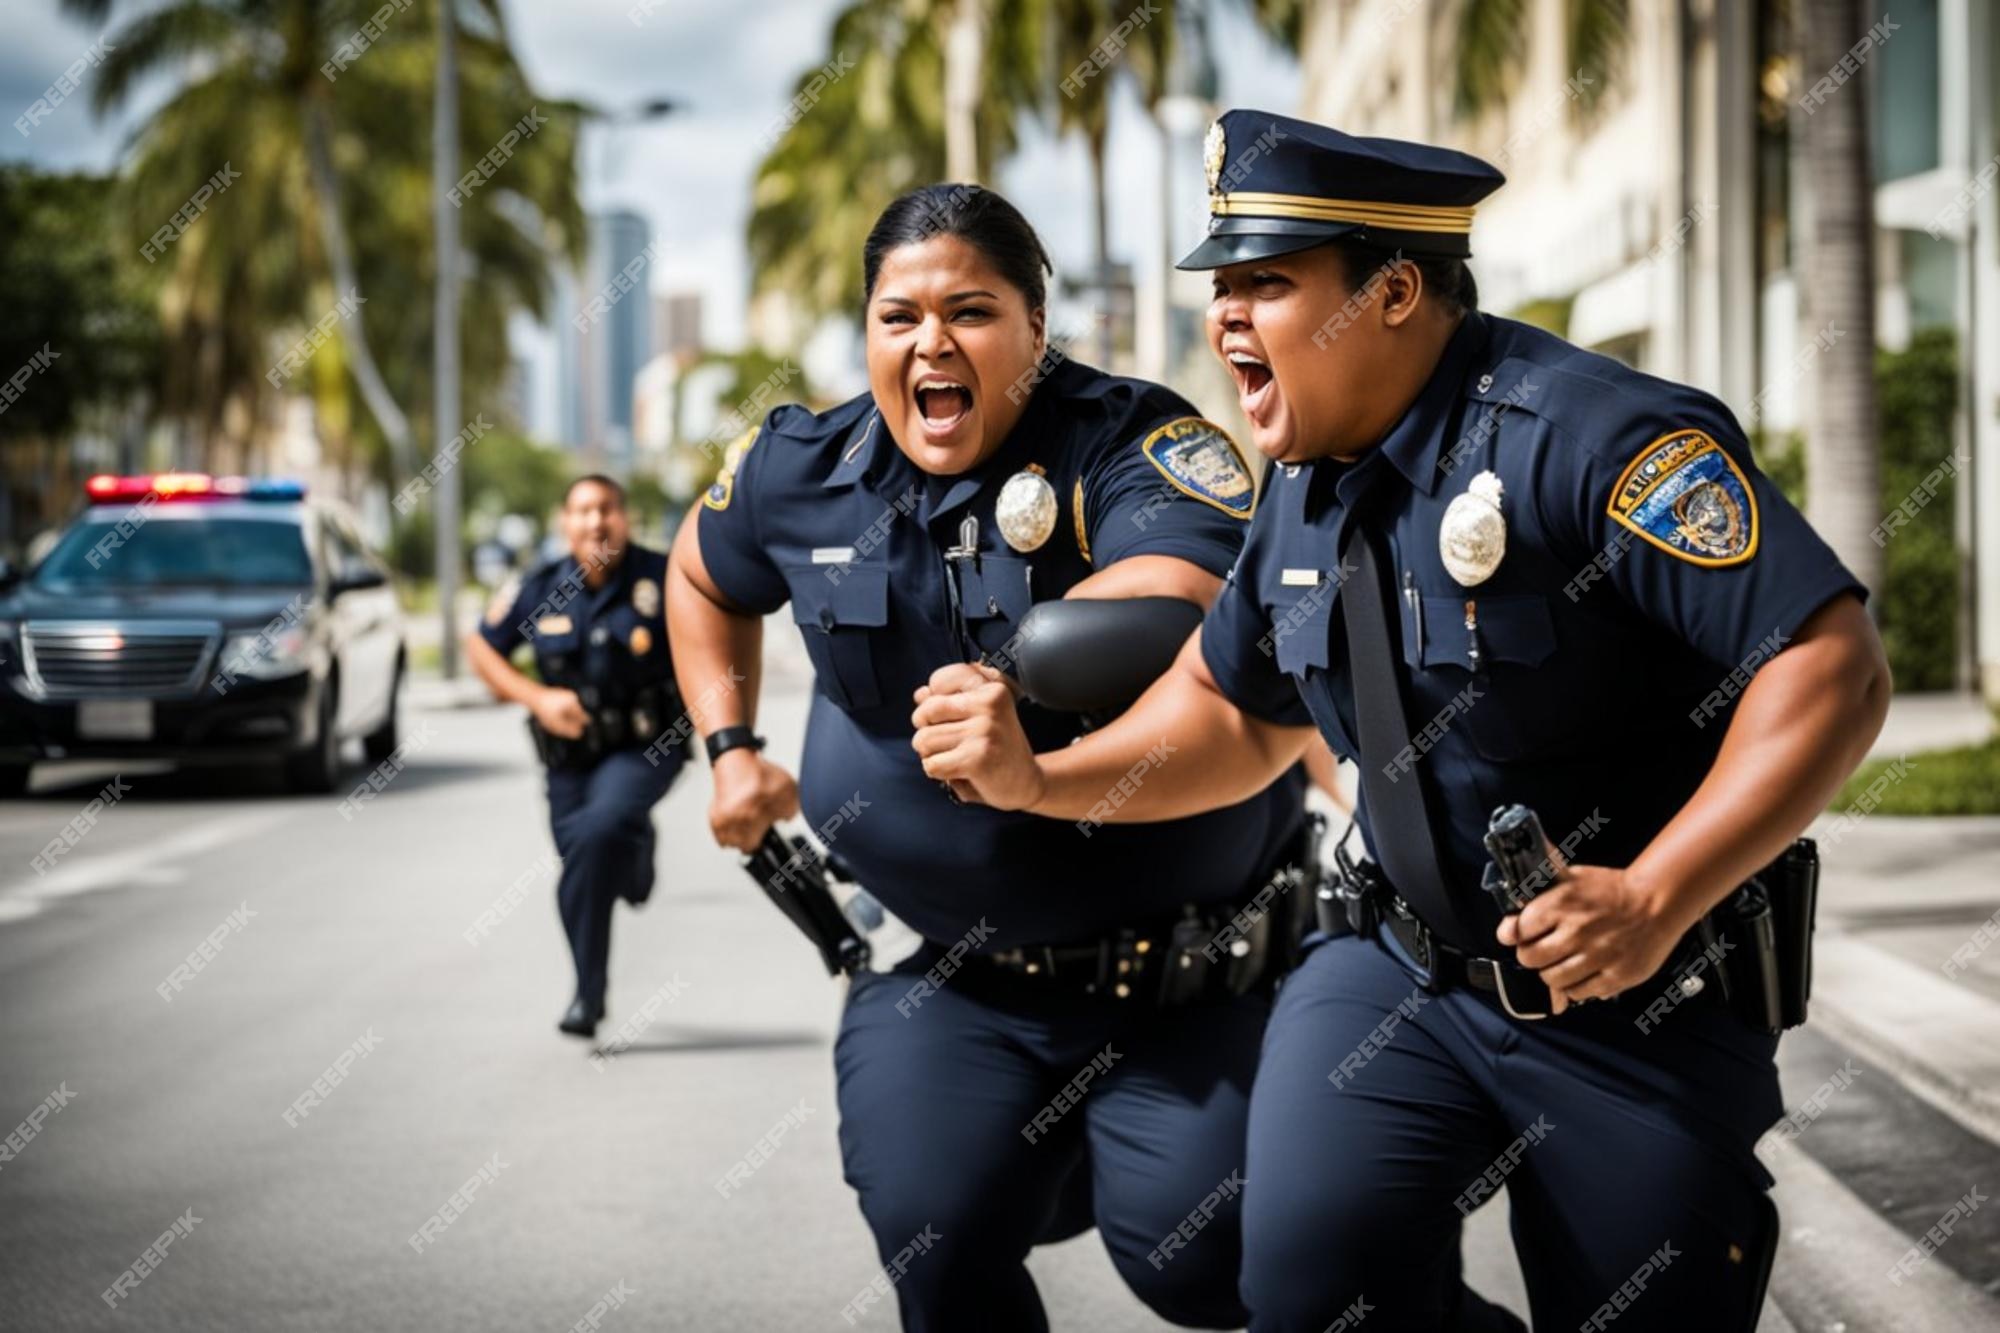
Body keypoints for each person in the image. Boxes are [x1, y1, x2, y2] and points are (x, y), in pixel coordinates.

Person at [913, 111, 1892, 1331]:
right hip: (1394, 973)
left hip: (1642, 1005)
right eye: (1220, 284)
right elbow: (1229, 706)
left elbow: (1827, 664)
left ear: (1386, 293)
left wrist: (1652, 896)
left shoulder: (1594, 439)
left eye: (1264, 283)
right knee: (1310, 1284)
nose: (1223, 317)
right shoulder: (1303, 481)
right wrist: (1038, 780)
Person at [667, 184, 1308, 1332]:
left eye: (970, 311)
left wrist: (1010, 675)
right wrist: (727, 747)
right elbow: (703, 575)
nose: (930, 344)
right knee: (936, 1238)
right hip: (945, 976)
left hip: (1187, 981)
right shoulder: (800, 467)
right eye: (897, 316)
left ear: (1035, 324)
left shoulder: (1134, 439)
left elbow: (1178, 592)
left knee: (1205, 1253)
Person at [466, 474, 683, 1040]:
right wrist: (537, 698)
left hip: (645, 747)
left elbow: (716, 641)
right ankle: (633, 852)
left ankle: (587, 997)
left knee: (599, 831)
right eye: (584, 511)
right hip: (568, 759)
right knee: (584, 862)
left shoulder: (664, 578)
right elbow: (482, 648)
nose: (596, 522)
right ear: (565, 524)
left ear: (625, 517)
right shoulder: (539, 587)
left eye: (607, 509)